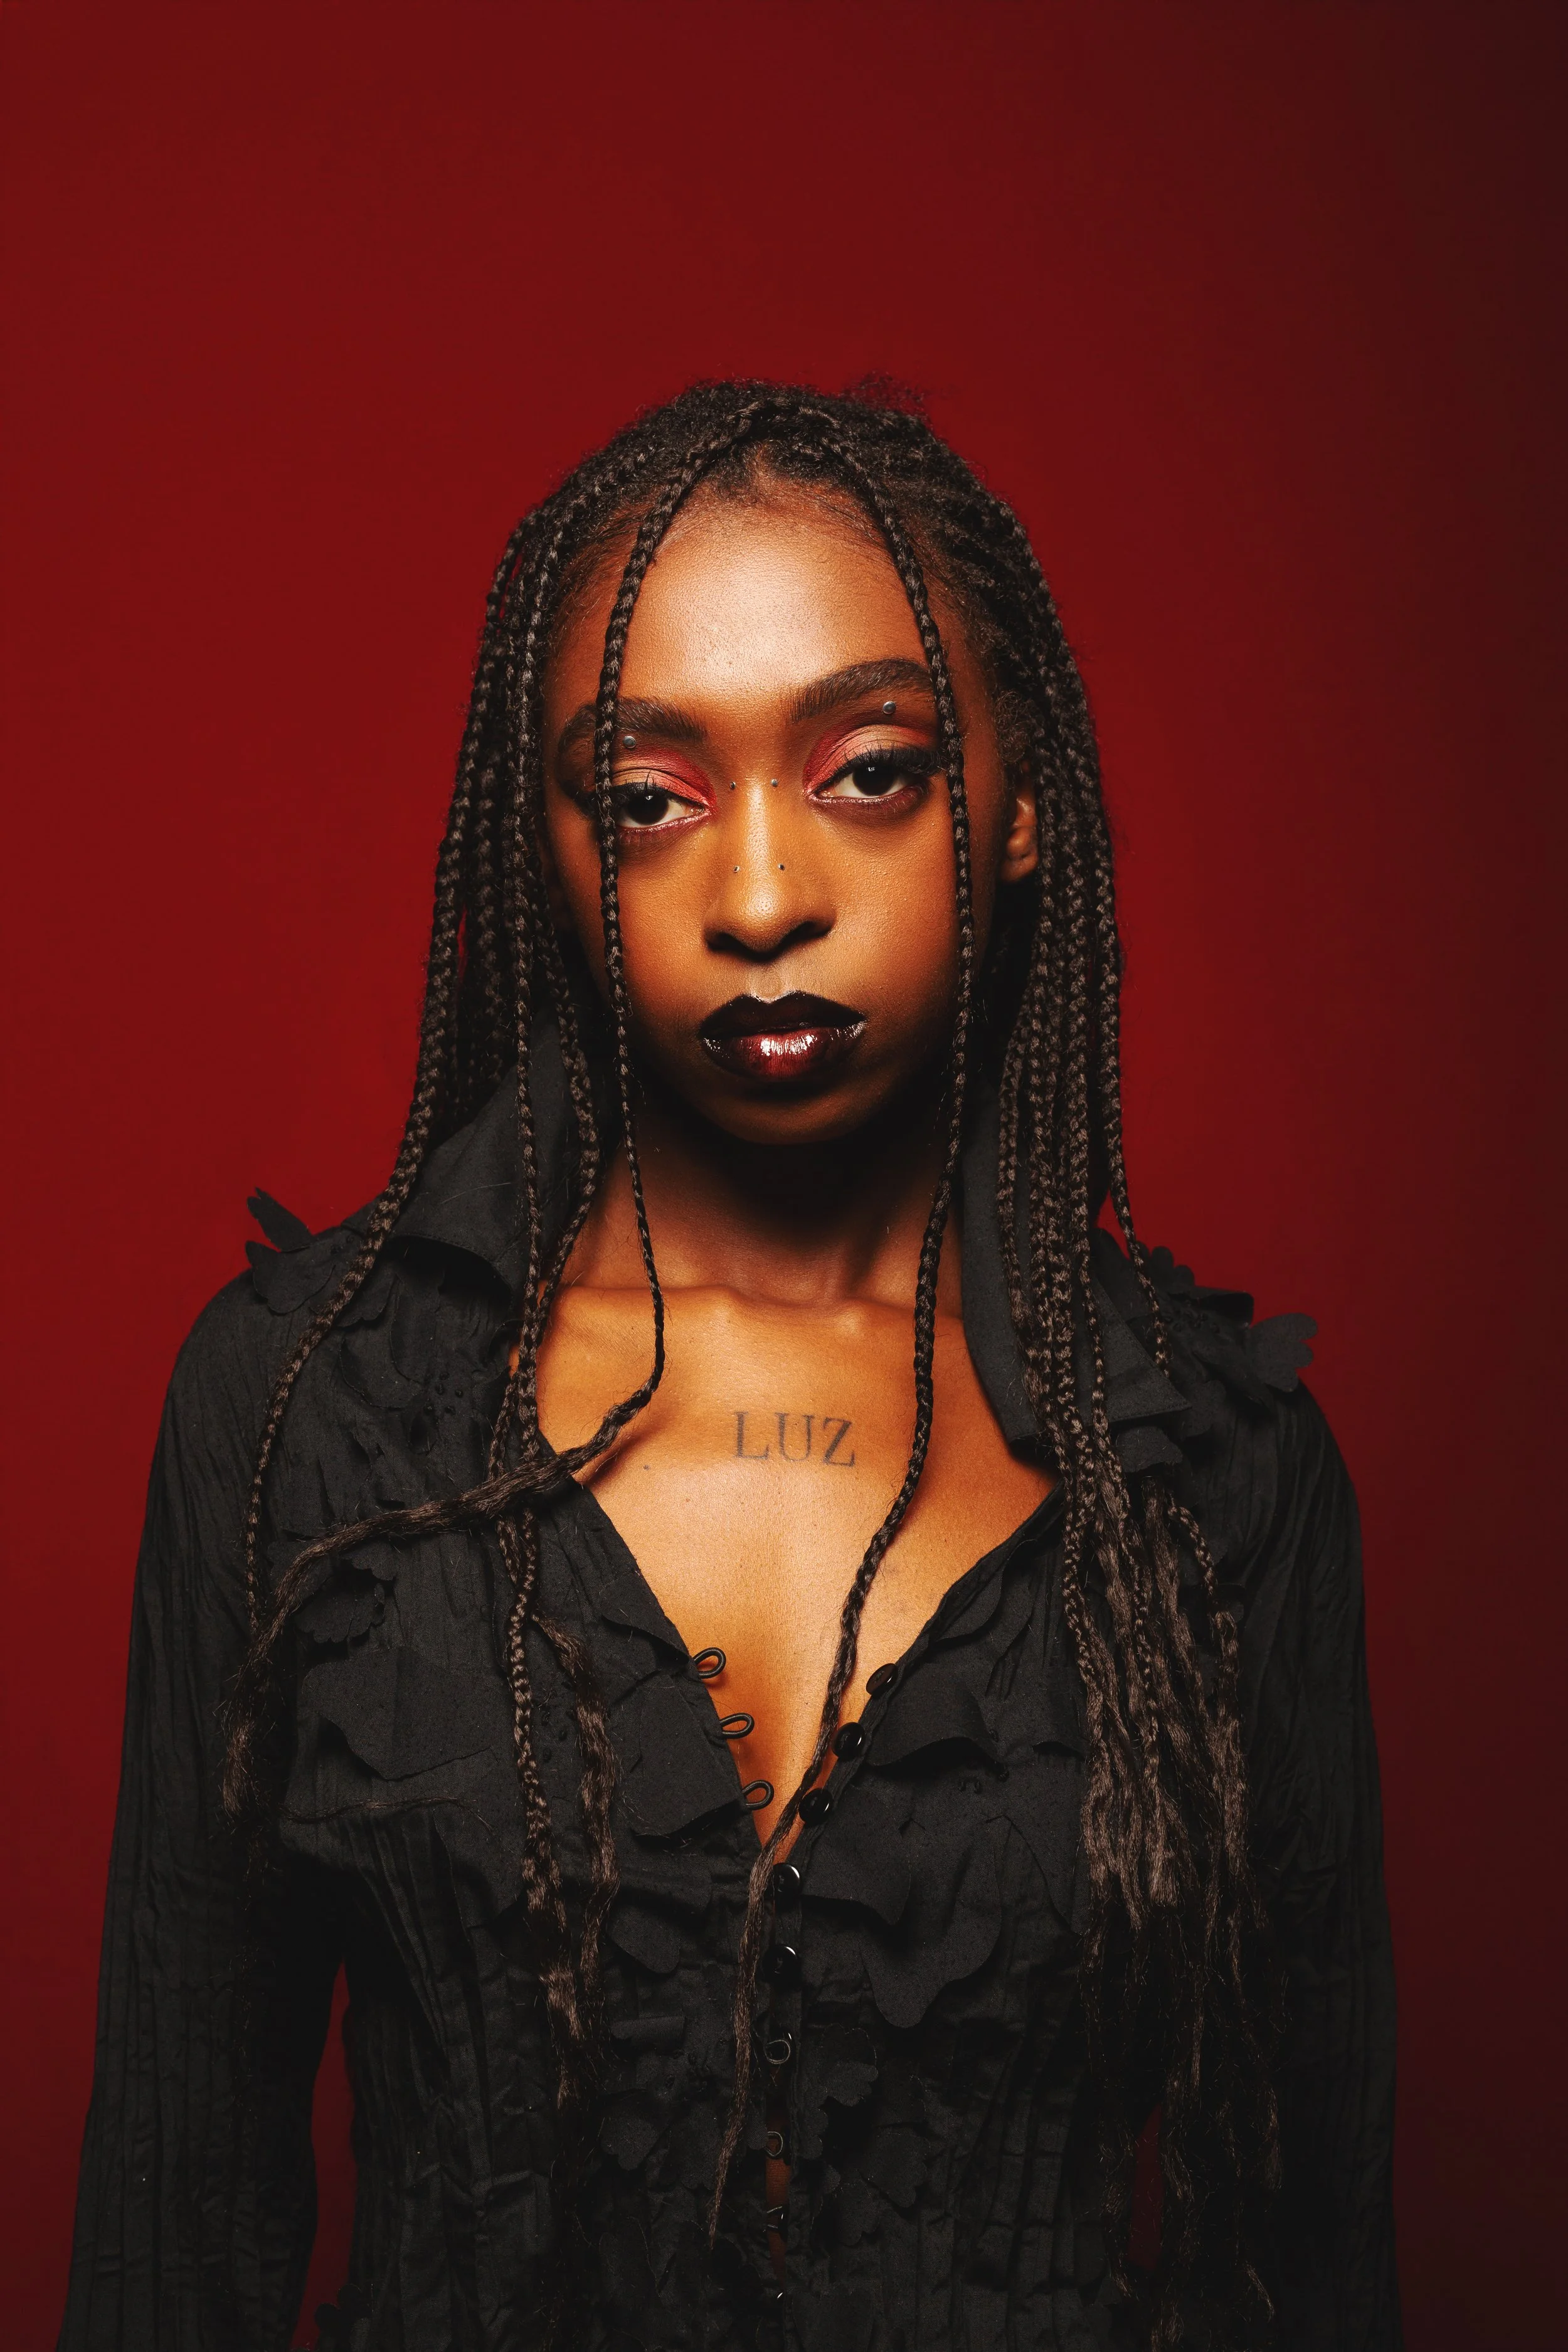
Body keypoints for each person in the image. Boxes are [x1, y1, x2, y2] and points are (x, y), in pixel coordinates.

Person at [59, 382, 1399, 2351]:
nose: (761, 898)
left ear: (1019, 799)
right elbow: (176, 2234)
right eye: (648, 799)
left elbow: (1310, 2261)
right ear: (545, 847)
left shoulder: (1214, 1474)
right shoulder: (311, 1414)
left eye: (870, 771)